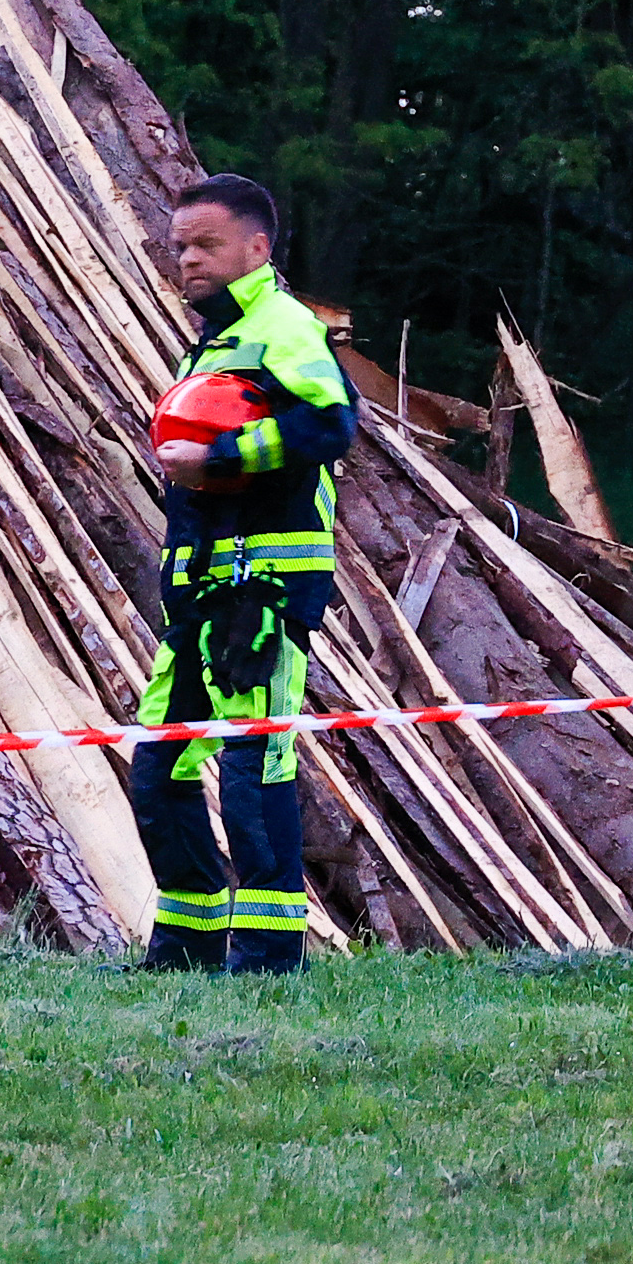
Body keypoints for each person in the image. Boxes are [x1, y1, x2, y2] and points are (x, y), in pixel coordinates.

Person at [135, 173, 357, 974]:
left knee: (253, 767)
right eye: (179, 247)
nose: (185, 260)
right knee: (160, 769)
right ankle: (183, 949)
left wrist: (221, 456)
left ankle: (267, 958)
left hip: (260, 594)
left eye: (204, 245)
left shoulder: (284, 326)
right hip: (199, 596)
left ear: (256, 248)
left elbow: (332, 423)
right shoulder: (221, 335)